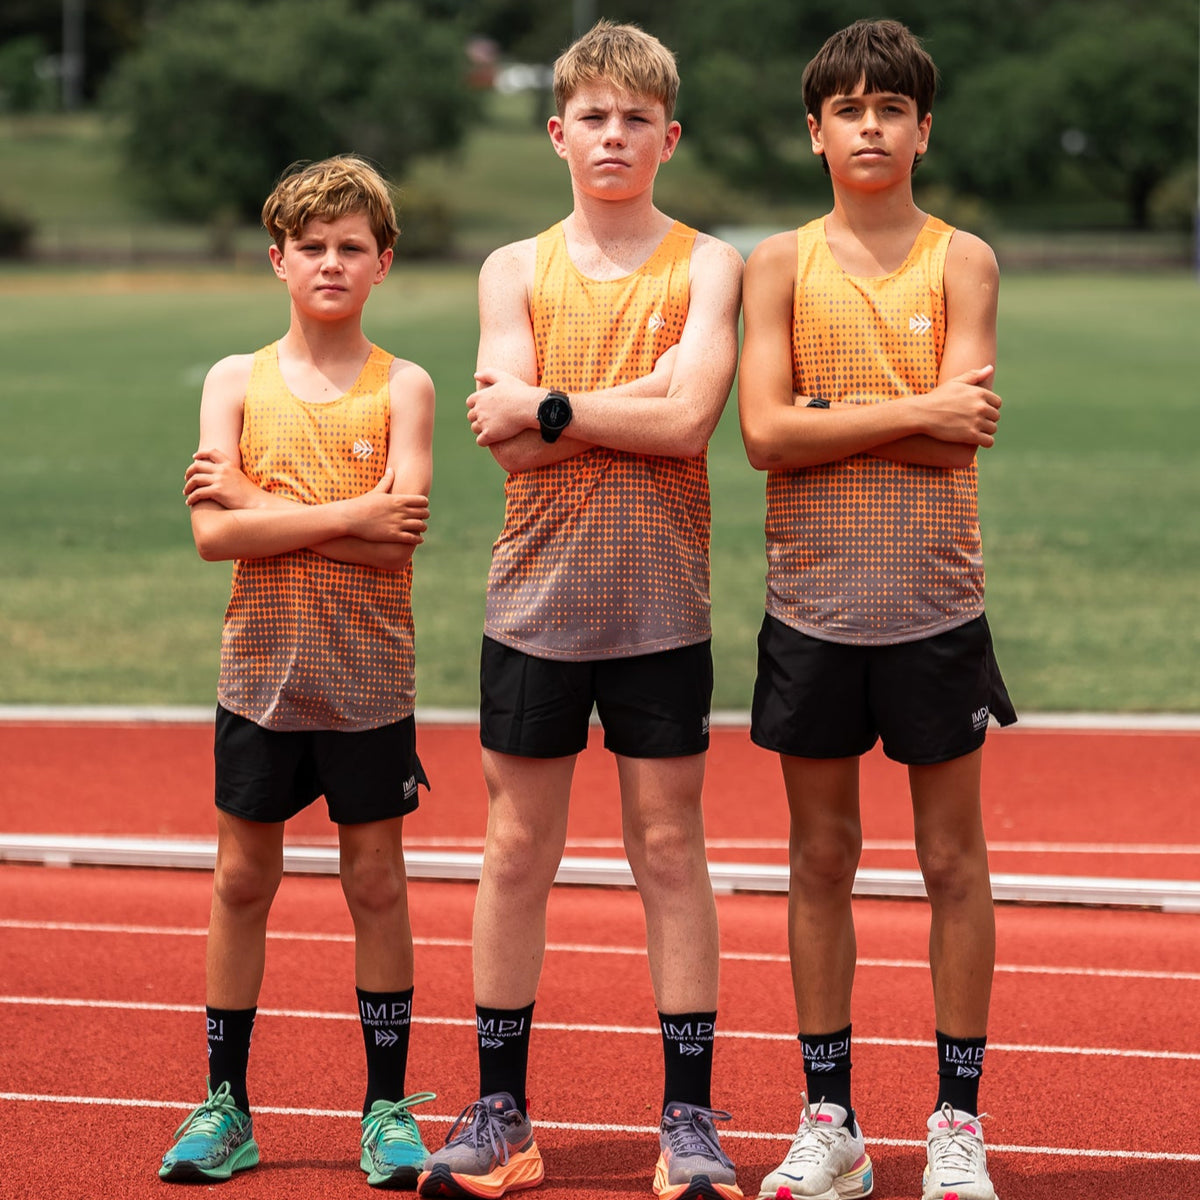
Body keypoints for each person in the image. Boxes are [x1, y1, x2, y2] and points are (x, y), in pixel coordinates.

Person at [417, 20, 744, 1200]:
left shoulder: (711, 264)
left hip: (662, 605)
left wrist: (554, 403)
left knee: (670, 849)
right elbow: (509, 453)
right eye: (593, 118)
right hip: (534, 605)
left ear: (670, 137)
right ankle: (501, 1112)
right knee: (516, 851)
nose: (614, 136)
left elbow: (692, 424)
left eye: (636, 119)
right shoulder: (515, 267)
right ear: (559, 134)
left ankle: (690, 1122)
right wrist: (627, 399)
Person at [737, 19, 1015, 1200]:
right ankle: (832, 1122)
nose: (869, 126)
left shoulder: (964, 262)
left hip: (934, 607)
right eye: (847, 109)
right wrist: (906, 409)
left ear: (922, 129)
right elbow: (762, 437)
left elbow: (968, 436)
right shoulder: (778, 265)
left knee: (954, 860)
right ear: (815, 131)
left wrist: (829, 410)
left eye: (889, 109)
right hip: (812, 610)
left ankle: (957, 1122)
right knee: (820, 859)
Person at [159, 155, 437, 1189]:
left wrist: (259, 503)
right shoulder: (235, 380)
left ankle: (387, 1110)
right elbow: (209, 538)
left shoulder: (402, 383)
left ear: (383, 263)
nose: (331, 261)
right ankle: (225, 1103)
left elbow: (396, 541)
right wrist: (346, 516)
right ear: (278, 260)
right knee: (242, 881)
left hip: (368, 680)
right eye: (311, 246)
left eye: (351, 247)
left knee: (376, 883)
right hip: (259, 677)